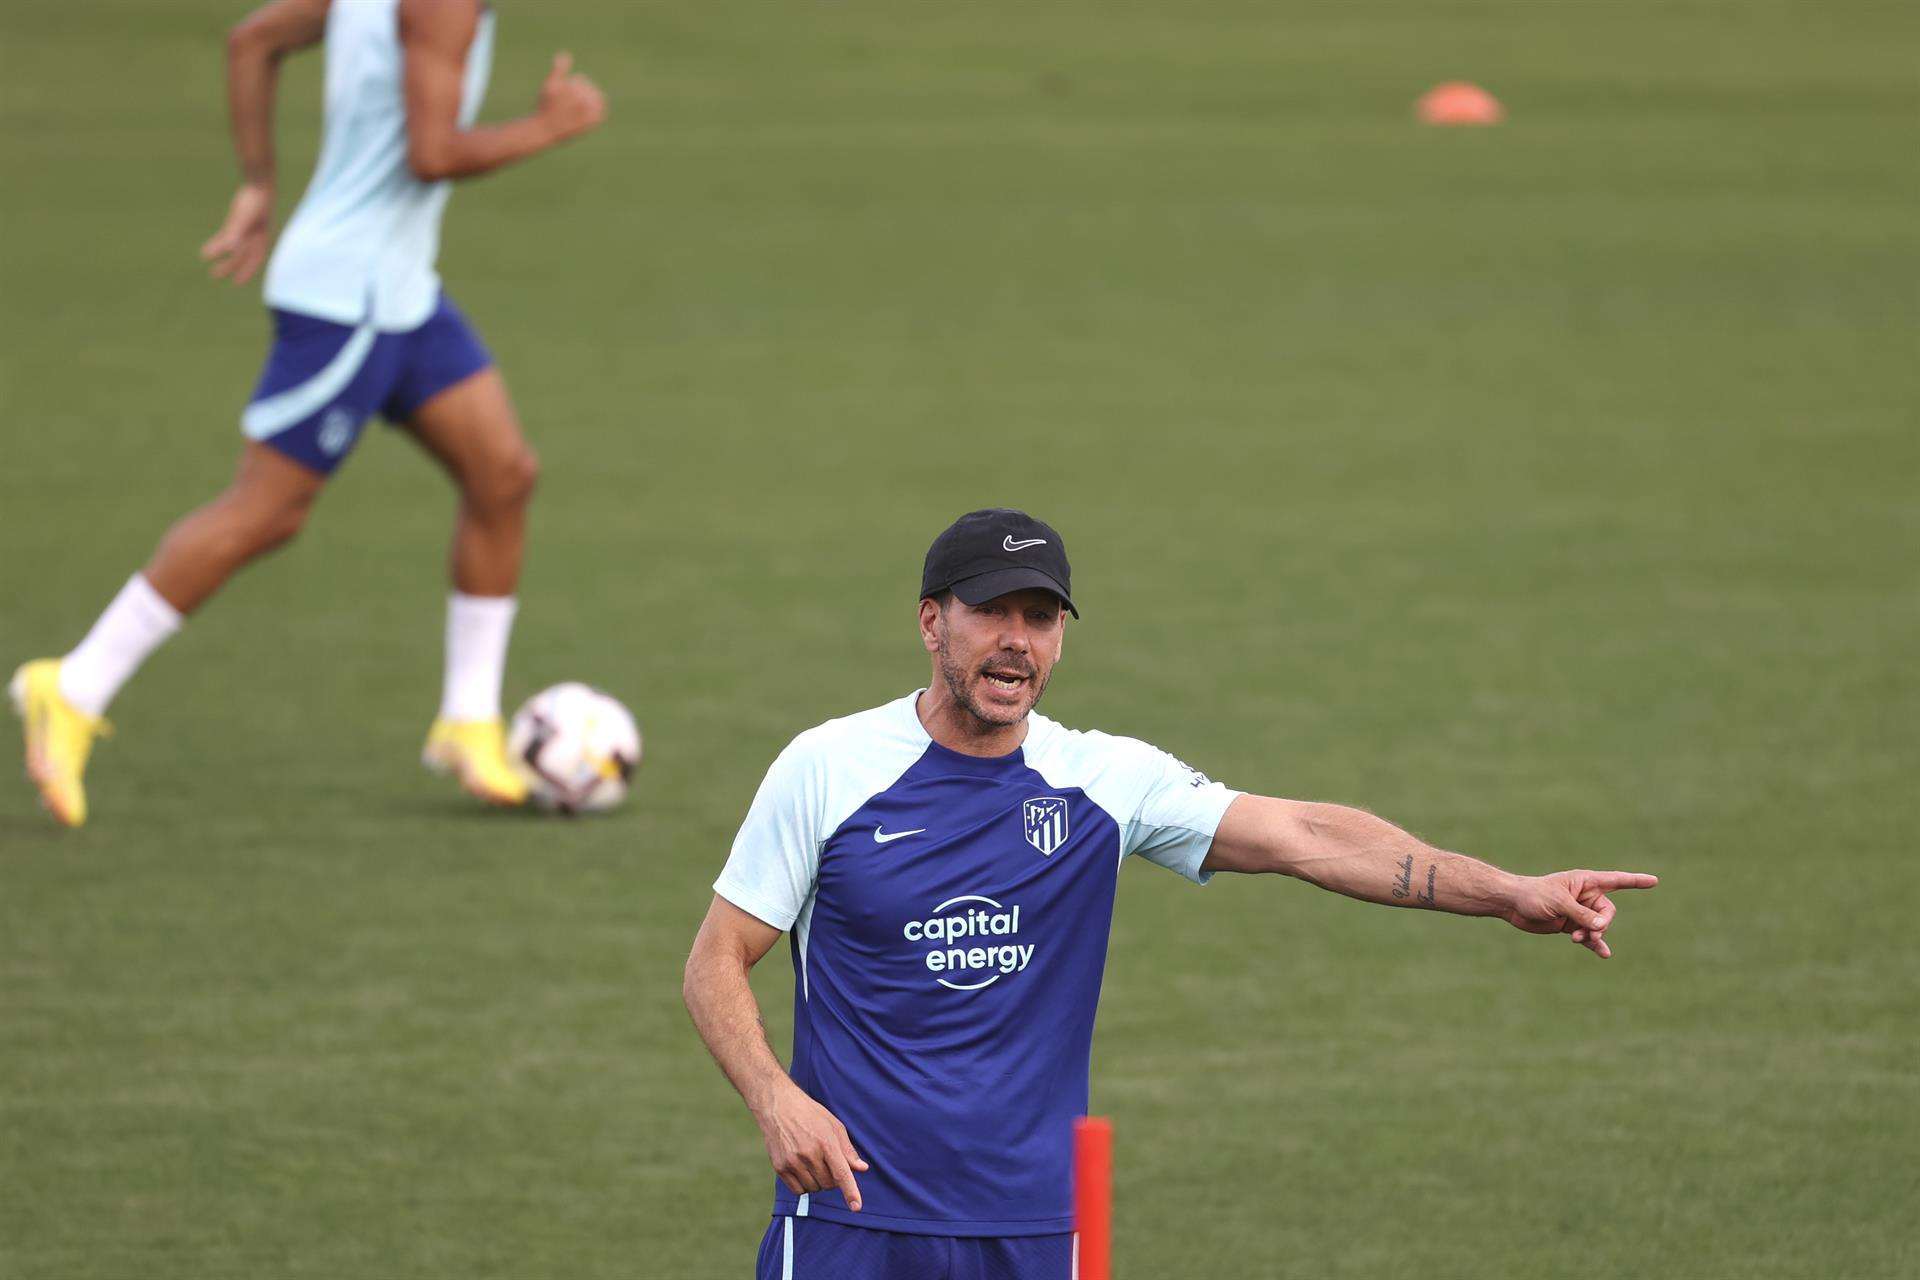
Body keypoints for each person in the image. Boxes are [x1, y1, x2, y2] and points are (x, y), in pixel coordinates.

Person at [683, 508, 1660, 1280]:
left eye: (1042, 616)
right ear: (932, 619)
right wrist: (776, 1098)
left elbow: (1307, 835)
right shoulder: (828, 769)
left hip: (1036, 1224)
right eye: (992, 612)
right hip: (855, 1219)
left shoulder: (1103, 781)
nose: (1017, 641)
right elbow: (714, 959)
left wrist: (1510, 892)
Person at [10, 0, 607, 826]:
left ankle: (468, 721)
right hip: (349, 303)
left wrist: (259, 184)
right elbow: (432, 154)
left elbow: (252, 40)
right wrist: (550, 125)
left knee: (502, 475)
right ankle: (72, 686)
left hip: (400, 292)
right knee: (267, 510)